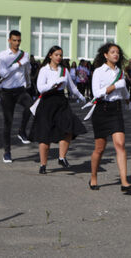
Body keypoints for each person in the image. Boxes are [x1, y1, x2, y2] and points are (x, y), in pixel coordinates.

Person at [29, 46, 87, 174]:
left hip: (61, 102)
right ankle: (43, 165)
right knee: (45, 135)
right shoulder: (44, 70)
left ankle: (62, 157)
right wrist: (54, 83)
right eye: (56, 55)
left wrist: (83, 98)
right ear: (50, 56)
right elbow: (40, 88)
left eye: (60, 55)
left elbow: (72, 87)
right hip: (47, 102)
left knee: (69, 128)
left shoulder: (64, 71)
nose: (59, 57)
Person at [89, 42, 131, 193]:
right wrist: (115, 86)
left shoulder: (120, 73)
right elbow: (96, 93)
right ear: (105, 55)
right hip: (101, 110)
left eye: (117, 52)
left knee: (120, 144)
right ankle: (94, 176)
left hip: (116, 110)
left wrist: (127, 99)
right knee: (100, 149)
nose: (116, 54)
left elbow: (123, 91)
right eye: (112, 52)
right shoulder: (98, 71)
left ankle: (124, 182)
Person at [0, 30, 33, 163]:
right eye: (14, 40)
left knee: (31, 106)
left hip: (20, 90)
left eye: (18, 40)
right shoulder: (3, 55)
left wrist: (28, 81)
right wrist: (18, 64)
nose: (17, 43)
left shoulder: (24, 54)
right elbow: (3, 74)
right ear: (9, 40)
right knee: (8, 122)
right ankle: (7, 152)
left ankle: (21, 131)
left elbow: (27, 69)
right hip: (7, 92)